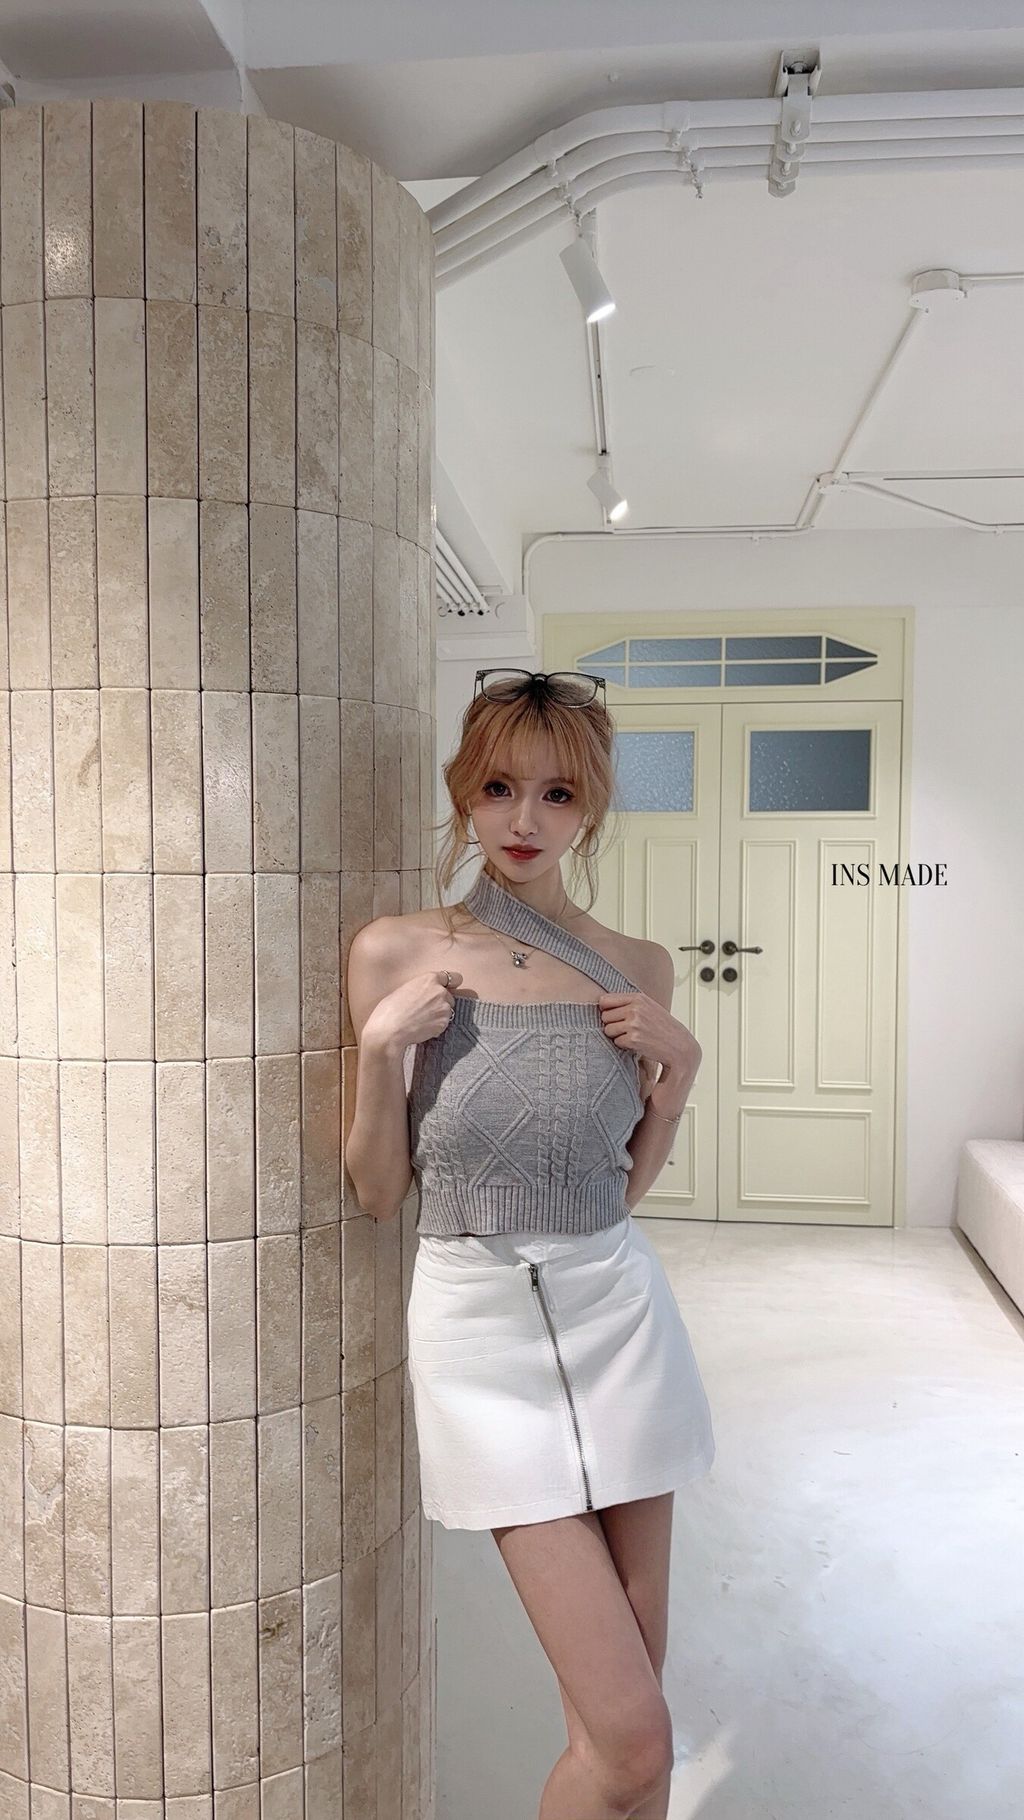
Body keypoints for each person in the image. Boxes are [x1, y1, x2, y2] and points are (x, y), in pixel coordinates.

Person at [345, 669, 715, 1820]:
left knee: (630, 1734)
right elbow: (376, 1190)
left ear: (588, 808)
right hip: (481, 1328)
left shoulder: (635, 967)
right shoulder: (398, 952)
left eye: (557, 794)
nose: (523, 819)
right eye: (499, 787)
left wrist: (678, 1075)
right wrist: (378, 1050)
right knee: (633, 1737)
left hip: (619, 1312)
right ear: (463, 790)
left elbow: (621, 1186)